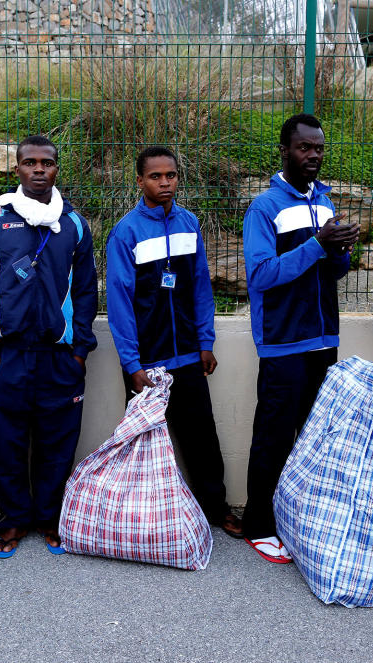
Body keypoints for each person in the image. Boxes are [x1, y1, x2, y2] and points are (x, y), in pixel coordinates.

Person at [0, 135, 98, 559]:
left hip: (60, 357)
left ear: (57, 168)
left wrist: (79, 349)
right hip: (9, 355)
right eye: (30, 163)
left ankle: (50, 520)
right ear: (16, 169)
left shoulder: (73, 223)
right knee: (12, 442)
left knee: (58, 442)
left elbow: (88, 291)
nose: (39, 169)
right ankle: (13, 521)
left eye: (47, 163)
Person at [105, 146, 243, 538]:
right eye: (155, 176)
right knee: (143, 443)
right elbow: (119, 304)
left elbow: (201, 286)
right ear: (140, 181)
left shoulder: (189, 223)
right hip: (147, 360)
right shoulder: (126, 232)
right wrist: (132, 364)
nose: (164, 182)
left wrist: (206, 341)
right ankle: (140, 519)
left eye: (171, 175)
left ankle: (216, 509)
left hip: (187, 354)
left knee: (202, 435)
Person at [241, 114, 359, 563]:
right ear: (285, 150)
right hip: (283, 341)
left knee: (314, 437)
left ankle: (299, 519)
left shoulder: (325, 203)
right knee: (273, 436)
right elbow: (262, 275)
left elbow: (331, 271)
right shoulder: (265, 207)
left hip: (323, 337)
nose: (313, 156)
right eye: (304, 148)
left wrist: (341, 250)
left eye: (319, 148)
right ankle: (258, 524)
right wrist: (317, 244)